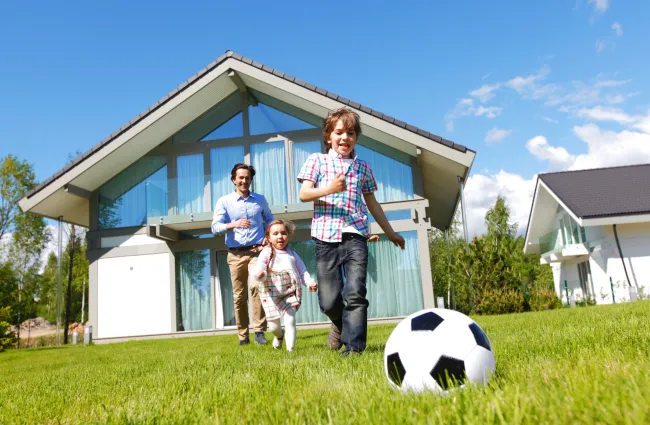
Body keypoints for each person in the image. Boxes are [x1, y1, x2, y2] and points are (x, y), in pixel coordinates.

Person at [297, 107, 406, 356]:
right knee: (328, 301)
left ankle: (355, 348)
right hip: (326, 238)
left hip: (356, 235)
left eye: (351, 133)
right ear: (328, 136)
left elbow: (372, 204)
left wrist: (390, 232)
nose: (345, 137)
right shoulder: (316, 160)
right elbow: (304, 194)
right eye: (339, 132)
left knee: (356, 292)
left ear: (356, 138)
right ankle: (338, 324)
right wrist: (330, 188)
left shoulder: (362, 168)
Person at [211, 163, 274, 346]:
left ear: (251, 180)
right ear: (234, 180)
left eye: (247, 177)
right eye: (240, 178)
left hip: (257, 252)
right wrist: (233, 224)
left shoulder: (260, 200)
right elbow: (215, 227)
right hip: (235, 254)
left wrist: (268, 235)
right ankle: (242, 335)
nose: (244, 181)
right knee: (239, 296)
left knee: (256, 287)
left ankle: (259, 332)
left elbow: (269, 218)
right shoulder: (224, 201)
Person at [252, 219, 318, 351]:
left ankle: (291, 350)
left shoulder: (292, 254)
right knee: (274, 327)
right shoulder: (266, 252)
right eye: (275, 233)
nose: (280, 237)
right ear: (269, 237)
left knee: (290, 319)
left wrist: (310, 282)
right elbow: (261, 266)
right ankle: (279, 336)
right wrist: (260, 274)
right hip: (271, 292)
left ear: (288, 235)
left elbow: (302, 271)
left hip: (290, 291)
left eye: (283, 233)